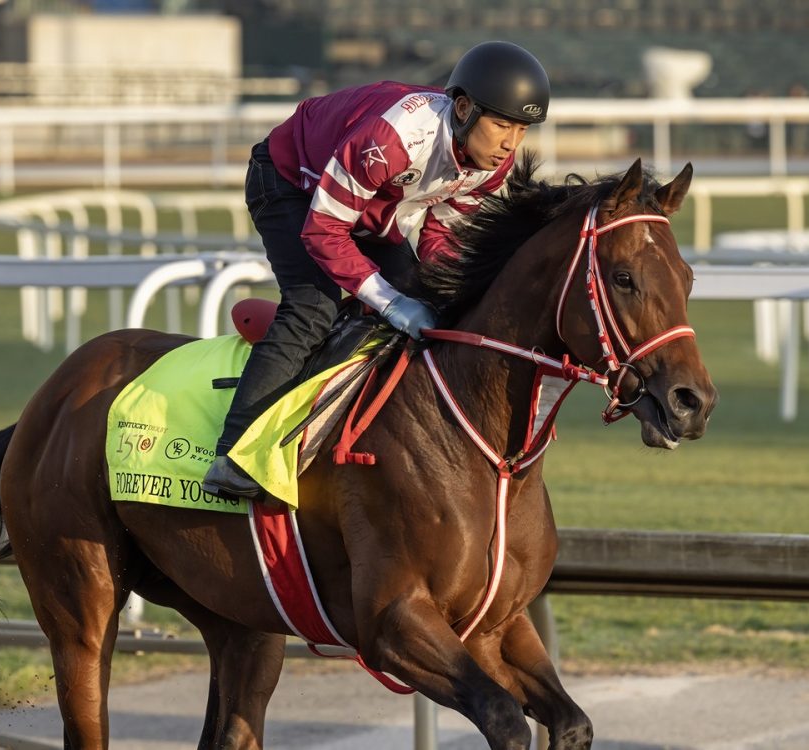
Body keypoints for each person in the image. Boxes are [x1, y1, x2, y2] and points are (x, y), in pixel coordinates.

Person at [204, 40, 550, 499]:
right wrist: (390, 302)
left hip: (370, 205)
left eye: (523, 130)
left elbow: (441, 240)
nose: (511, 143)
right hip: (290, 182)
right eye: (502, 124)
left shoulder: (492, 165)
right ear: (464, 108)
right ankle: (234, 456)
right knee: (312, 307)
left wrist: (434, 297)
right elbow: (324, 230)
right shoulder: (396, 138)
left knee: (425, 299)